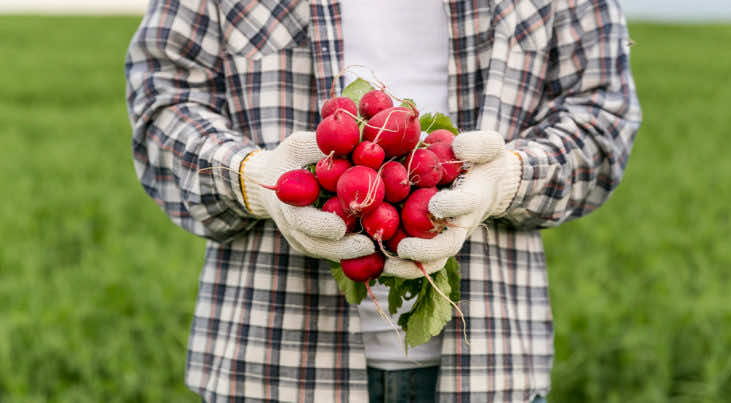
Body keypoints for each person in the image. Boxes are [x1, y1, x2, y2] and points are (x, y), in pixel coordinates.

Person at [125, 0, 640, 401]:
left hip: (494, 373)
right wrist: (251, 178)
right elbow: (161, 101)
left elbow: (603, 112)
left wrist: (508, 179)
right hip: (271, 369)